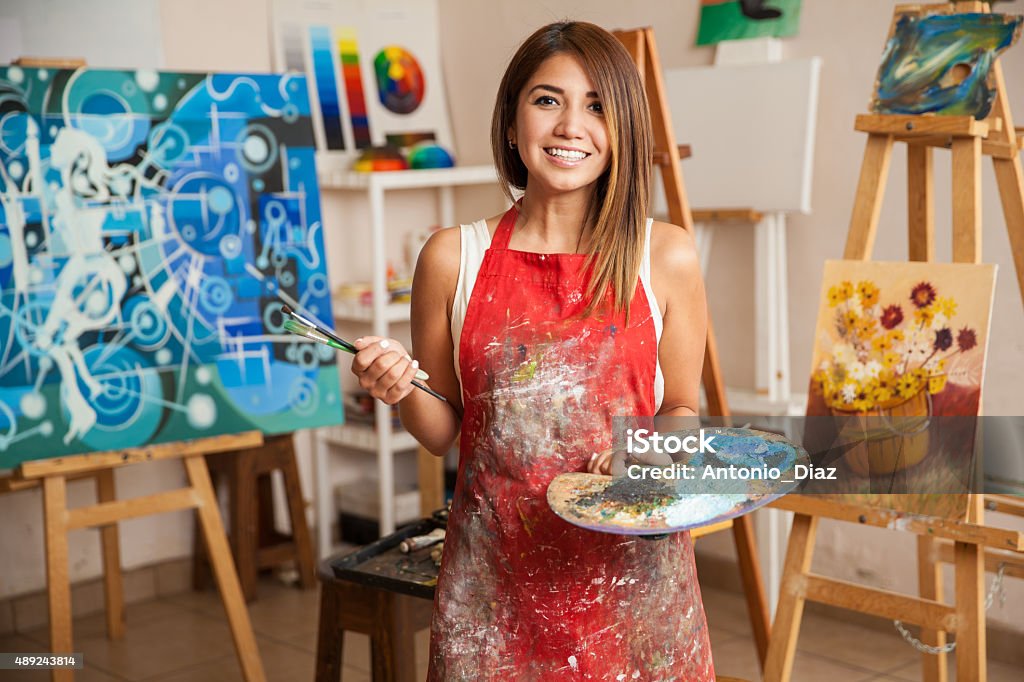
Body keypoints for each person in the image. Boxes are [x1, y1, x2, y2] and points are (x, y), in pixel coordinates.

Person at [350, 20, 713, 680]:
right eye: (548, 100)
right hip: (494, 590)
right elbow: (442, 432)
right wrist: (399, 388)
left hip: (632, 594)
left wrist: (647, 450)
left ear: (624, 131)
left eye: (597, 105)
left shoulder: (666, 256)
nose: (571, 125)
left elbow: (683, 407)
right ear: (513, 125)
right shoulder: (451, 258)